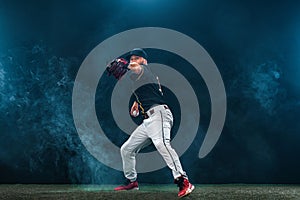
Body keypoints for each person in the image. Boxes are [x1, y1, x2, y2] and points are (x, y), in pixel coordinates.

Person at [114, 48, 194, 198]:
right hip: (149, 119)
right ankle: (132, 182)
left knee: (162, 144)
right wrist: (138, 103)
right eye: (131, 58)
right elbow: (151, 92)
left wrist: (124, 64)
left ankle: (184, 181)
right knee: (127, 149)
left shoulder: (144, 69)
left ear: (144, 61)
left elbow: (135, 68)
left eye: (136, 58)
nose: (133, 60)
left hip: (159, 115)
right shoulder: (141, 78)